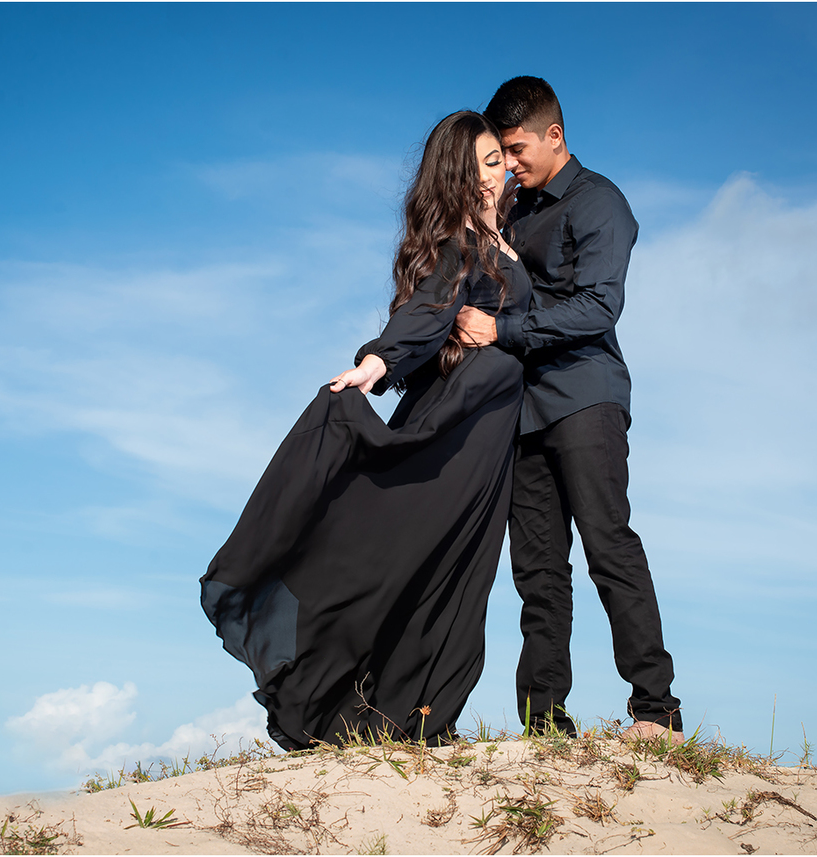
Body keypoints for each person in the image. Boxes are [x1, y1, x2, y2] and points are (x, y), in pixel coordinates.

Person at [201, 111, 533, 750]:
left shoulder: (511, 234)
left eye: (497, 161)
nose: (492, 177)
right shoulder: (462, 245)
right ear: (455, 180)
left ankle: (421, 718)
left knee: (461, 569)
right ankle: (358, 703)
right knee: (405, 557)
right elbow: (428, 309)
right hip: (461, 426)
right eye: (478, 168)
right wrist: (376, 363)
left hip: (493, 428)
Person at [456, 76, 684, 742]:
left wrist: (502, 331)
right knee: (537, 571)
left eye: (517, 149)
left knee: (609, 546)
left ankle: (656, 711)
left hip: (586, 396)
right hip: (521, 411)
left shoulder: (599, 202)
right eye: (500, 152)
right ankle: (544, 723)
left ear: (554, 135)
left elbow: (598, 306)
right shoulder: (514, 210)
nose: (509, 164)